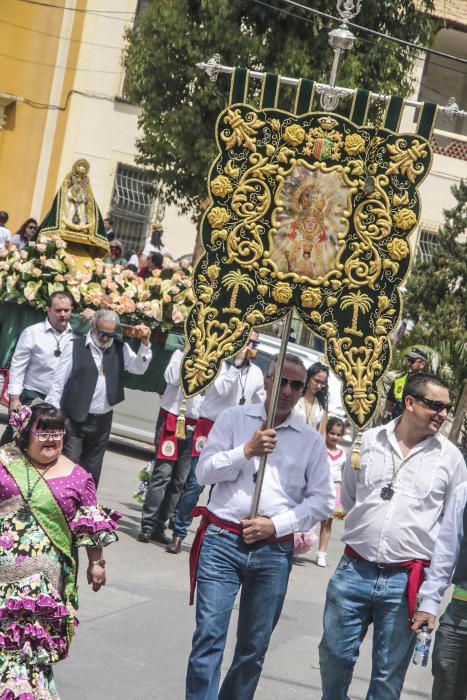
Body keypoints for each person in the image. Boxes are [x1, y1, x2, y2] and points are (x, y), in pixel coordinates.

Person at [185, 352, 335, 700]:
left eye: (296, 385)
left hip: (272, 550)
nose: (287, 390)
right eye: (281, 380)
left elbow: (322, 501)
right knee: (209, 636)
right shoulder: (234, 419)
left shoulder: (310, 440)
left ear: (303, 391)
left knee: (253, 648)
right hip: (223, 539)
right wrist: (246, 451)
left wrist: (276, 524)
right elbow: (203, 472)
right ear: (267, 379)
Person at [319, 372, 467, 700]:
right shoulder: (368, 441)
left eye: (447, 407)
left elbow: (449, 534)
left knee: (387, 679)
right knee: (334, 657)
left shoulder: (451, 459)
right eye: (435, 406)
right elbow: (352, 499)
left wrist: (430, 596)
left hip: (405, 582)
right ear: (410, 403)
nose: (443, 414)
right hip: (353, 572)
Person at [0, 402, 119, 698]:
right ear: (26, 434)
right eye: (43, 433)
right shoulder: (5, 462)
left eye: (57, 433)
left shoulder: (79, 477)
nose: (51, 439)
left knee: (29, 644)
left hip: (45, 579)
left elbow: (90, 526)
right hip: (2, 570)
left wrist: (97, 563)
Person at [166, 331, 265, 554]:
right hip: (209, 427)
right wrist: (236, 364)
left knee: (222, 486)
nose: (252, 346)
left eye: (256, 343)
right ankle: (179, 532)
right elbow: (220, 390)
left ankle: (210, 533)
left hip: (237, 431)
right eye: (249, 342)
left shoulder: (257, 373)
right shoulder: (218, 364)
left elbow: (262, 402)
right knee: (195, 483)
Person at [46, 310, 151, 486]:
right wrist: (52, 417)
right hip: (74, 418)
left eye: (110, 334)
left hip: (101, 420)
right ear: (93, 327)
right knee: (68, 464)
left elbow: (139, 369)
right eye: (102, 333)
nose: (105, 338)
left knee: (92, 471)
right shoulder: (74, 346)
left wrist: (145, 343)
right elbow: (57, 384)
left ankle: (86, 509)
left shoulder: (120, 348)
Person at [137, 349, 203, 544]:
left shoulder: (214, 363)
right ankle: (147, 525)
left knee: (179, 481)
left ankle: (159, 525)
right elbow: (172, 377)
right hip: (172, 418)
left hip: (193, 424)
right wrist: (189, 356)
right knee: (162, 475)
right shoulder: (179, 354)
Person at [412, 480, 467, 700]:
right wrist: (430, 602)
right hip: (460, 612)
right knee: (446, 680)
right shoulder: (465, 490)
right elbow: (447, 546)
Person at [1, 291, 75, 446]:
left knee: (45, 447)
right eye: (58, 310)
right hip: (31, 397)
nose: (63, 314)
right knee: (13, 443)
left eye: (66, 310)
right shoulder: (33, 333)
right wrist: (14, 399)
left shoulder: (76, 338)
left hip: (59, 402)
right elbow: (18, 365)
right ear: (47, 309)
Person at [313, 417, 346, 566]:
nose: (335, 437)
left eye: (338, 434)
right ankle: (300, 544)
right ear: (326, 432)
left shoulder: (343, 453)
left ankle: (322, 553)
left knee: (327, 523)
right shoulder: (320, 449)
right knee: (310, 518)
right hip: (318, 487)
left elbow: (344, 473)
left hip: (334, 489)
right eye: (332, 433)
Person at [384, 347, 428, 420]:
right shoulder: (398, 381)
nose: (409, 364)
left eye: (412, 361)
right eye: (408, 360)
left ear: (422, 364)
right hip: (396, 424)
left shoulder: (428, 386)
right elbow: (389, 403)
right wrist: (387, 417)